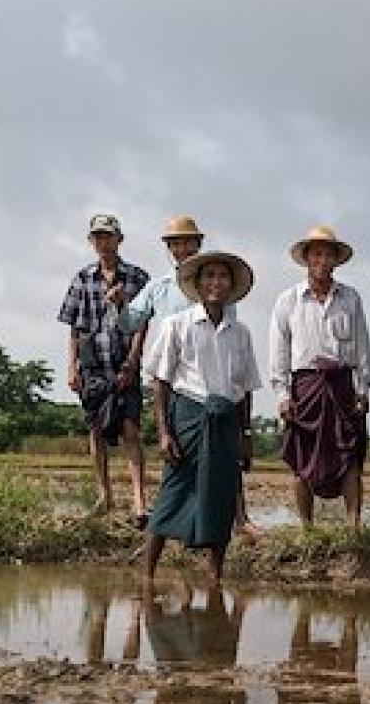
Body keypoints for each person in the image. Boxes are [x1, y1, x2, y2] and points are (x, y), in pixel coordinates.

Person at [124, 214, 263, 538]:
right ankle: (170, 529)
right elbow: (130, 321)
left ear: (198, 244)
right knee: (179, 466)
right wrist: (119, 304)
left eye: (187, 242)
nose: (181, 247)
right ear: (169, 248)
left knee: (225, 462)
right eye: (175, 243)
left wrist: (245, 428)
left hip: (216, 389)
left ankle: (239, 518)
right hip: (179, 383)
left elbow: (233, 359)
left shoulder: (223, 298)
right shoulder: (158, 288)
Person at [140, 252, 263, 582]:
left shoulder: (241, 333)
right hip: (188, 418)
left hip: (225, 423)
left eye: (222, 276)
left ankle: (214, 577)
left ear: (231, 285)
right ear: (197, 284)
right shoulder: (176, 325)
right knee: (172, 493)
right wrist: (164, 432)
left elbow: (245, 389)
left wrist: (245, 436)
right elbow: (161, 381)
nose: (215, 282)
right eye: (208, 276)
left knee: (220, 495)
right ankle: (146, 578)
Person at [269, 225, 370, 528]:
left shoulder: (350, 298)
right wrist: (283, 395)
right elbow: (279, 353)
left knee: (350, 456)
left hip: (343, 386)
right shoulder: (288, 301)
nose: (322, 260)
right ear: (305, 258)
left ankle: (353, 526)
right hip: (305, 387)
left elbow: (362, 345)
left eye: (328, 254)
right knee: (302, 461)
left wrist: (362, 388)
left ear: (336, 260)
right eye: (316, 253)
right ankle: (307, 528)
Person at [58, 213, 151, 521]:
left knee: (130, 430)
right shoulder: (82, 278)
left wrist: (132, 360)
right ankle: (105, 496)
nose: (103, 242)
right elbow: (74, 327)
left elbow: (142, 325)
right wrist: (71, 367)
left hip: (124, 363)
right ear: (91, 242)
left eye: (108, 236)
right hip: (93, 366)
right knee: (96, 430)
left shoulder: (137, 277)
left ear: (119, 239)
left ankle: (139, 500)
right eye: (98, 237)